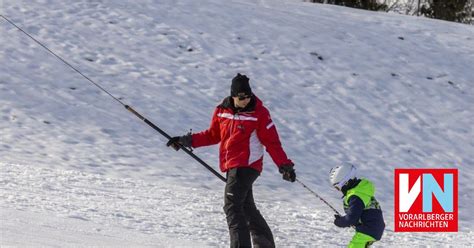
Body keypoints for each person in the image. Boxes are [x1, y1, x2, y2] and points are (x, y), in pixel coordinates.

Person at [167, 73, 295, 248]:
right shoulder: (222, 110)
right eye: (241, 97)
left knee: (232, 207)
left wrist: (284, 165)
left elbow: (272, 142)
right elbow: (213, 135)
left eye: (248, 96)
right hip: (232, 166)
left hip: (248, 165)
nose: (245, 100)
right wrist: (185, 140)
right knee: (245, 207)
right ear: (233, 96)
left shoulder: (259, 113)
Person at [329, 163, 385, 248]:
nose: (339, 190)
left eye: (337, 187)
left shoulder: (356, 196)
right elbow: (357, 214)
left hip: (368, 229)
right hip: (372, 228)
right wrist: (344, 219)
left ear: (345, 183)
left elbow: (351, 218)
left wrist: (340, 222)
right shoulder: (360, 191)